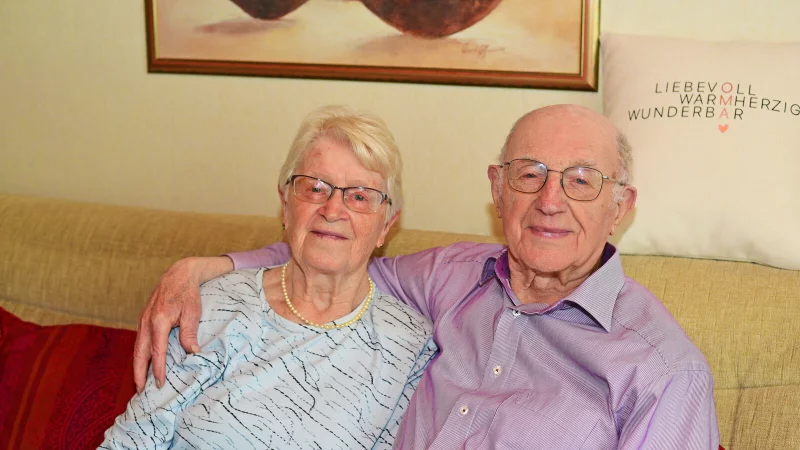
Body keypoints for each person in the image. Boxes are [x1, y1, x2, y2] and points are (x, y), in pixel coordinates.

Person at [134, 105, 720, 449]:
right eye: (529, 174)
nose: (550, 200)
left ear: (621, 205)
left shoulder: (663, 371)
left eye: (582, 179)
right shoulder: (448, 276)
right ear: (496, 188)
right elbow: (335, 251)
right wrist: (206, 268)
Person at [102, 105, 437, 449]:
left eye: (359, 197)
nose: (333, 210)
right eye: (315, 188)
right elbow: (133, 440)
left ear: (386, 226)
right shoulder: (211, 304)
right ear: (285, 204)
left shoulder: (408, 347)